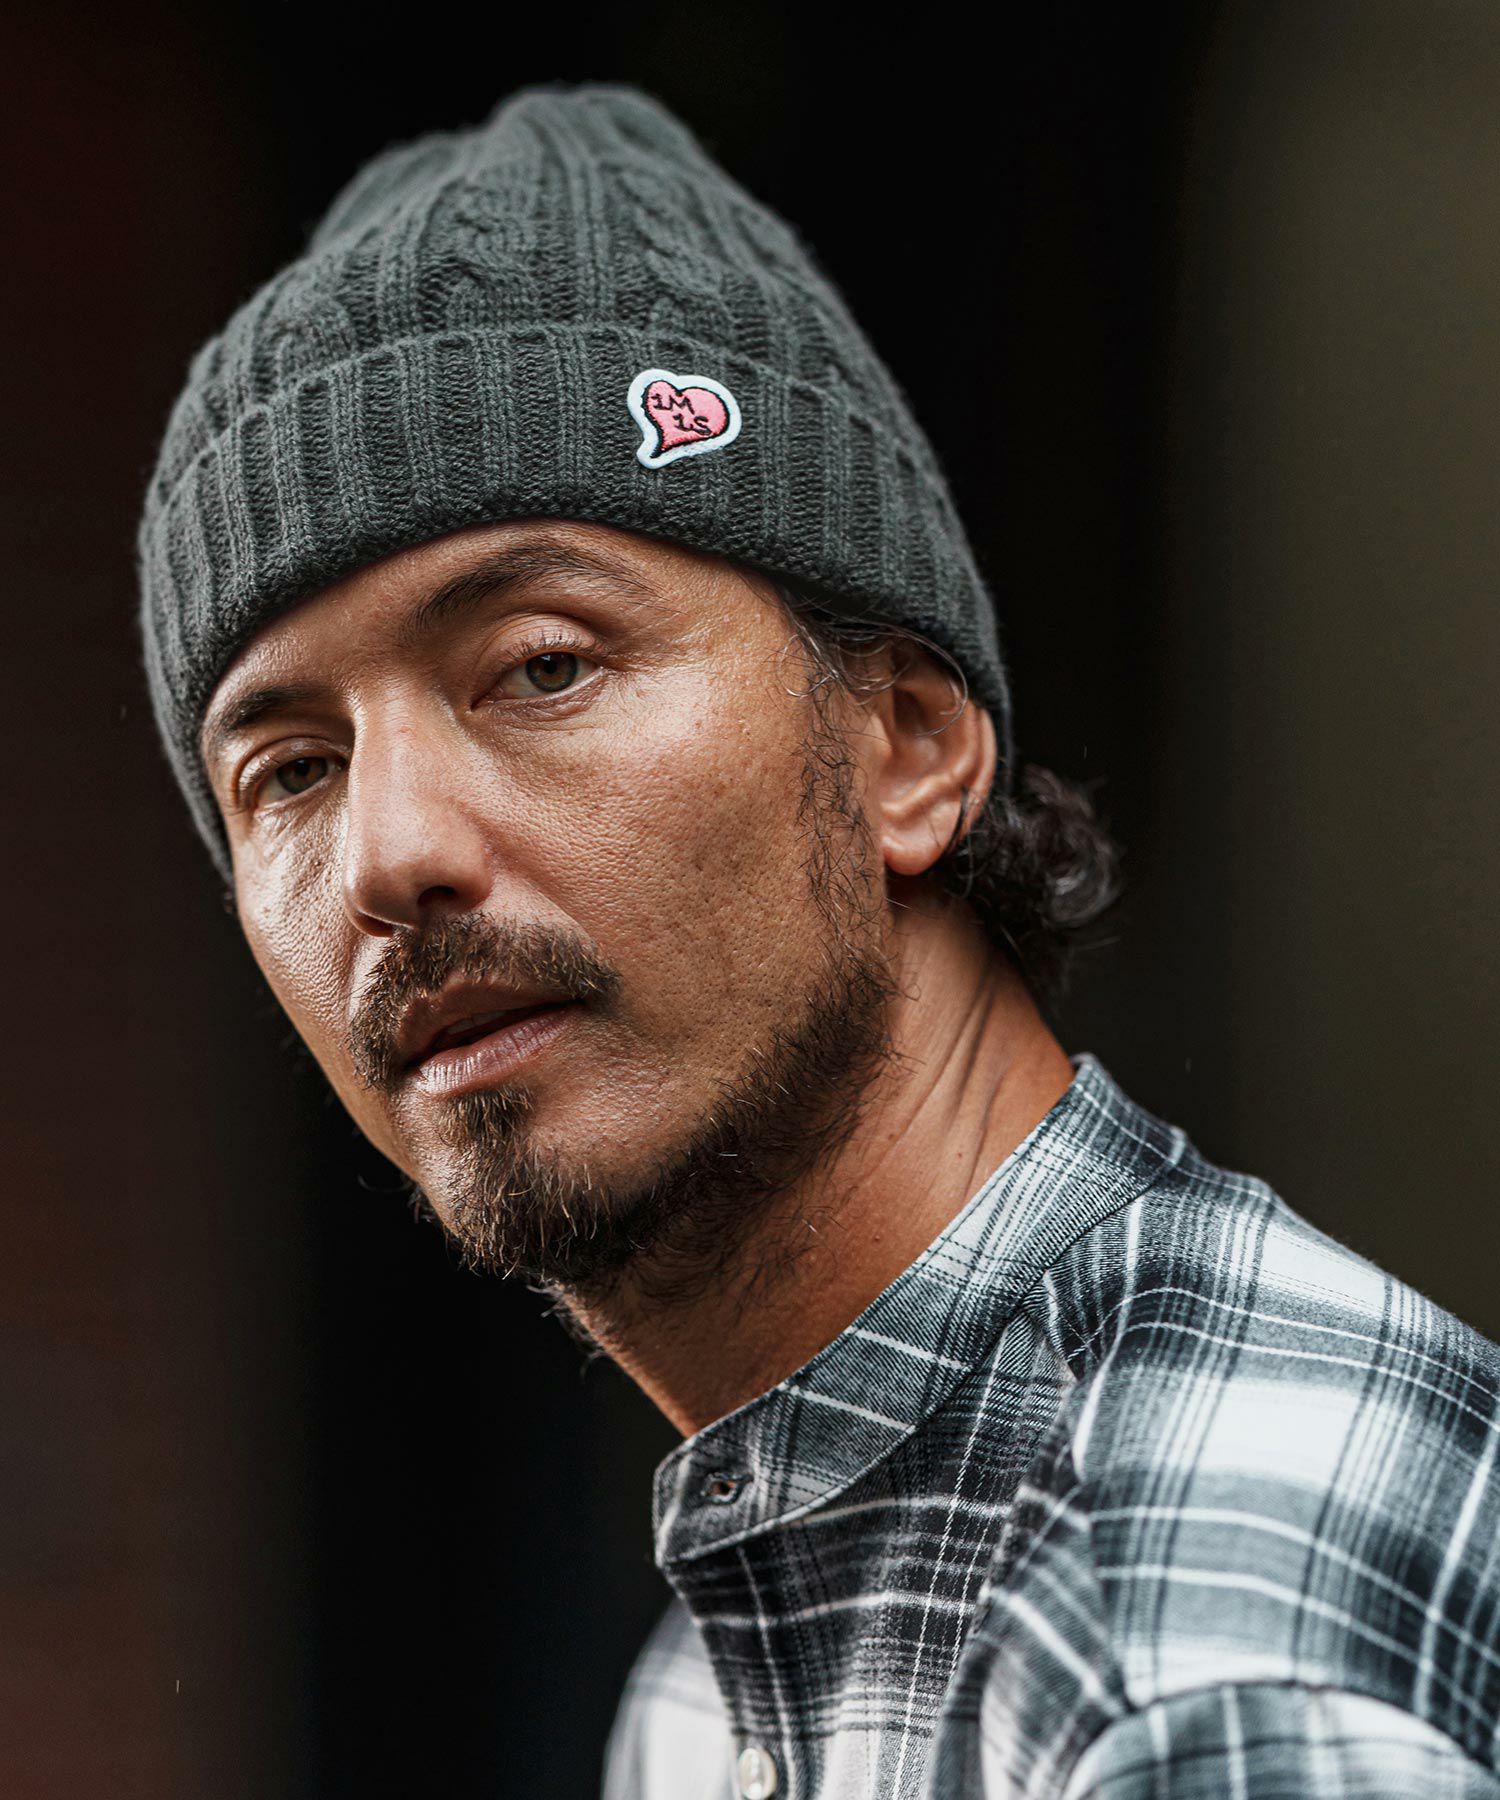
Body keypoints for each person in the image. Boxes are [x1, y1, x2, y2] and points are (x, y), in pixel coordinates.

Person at [137, 84, 1500, 1800]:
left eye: (543, 666)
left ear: (905, 743)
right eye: (290, 771)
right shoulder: (722, 1666)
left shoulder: (1179, 1656)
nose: (392, 853)